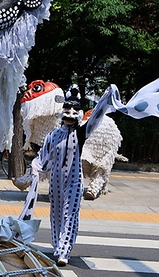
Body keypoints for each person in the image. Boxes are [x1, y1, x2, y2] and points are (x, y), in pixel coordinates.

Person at [32, 86, 115, 266]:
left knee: (70, 213)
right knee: (56, 213)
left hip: (74, 180)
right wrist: (33, 172)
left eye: (74, 111)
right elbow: (43, 158)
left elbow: (96, 118)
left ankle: (64, 250)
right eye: (67, 110)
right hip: (55, 180)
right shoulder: (53, 135)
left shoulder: (81, 133)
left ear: (79, 113)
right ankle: (57, 246)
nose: (70, 114)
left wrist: (106, 97)